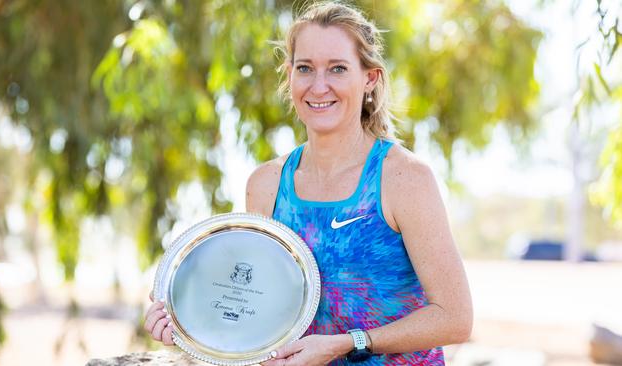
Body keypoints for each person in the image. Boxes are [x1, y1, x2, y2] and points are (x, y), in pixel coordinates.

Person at [145, 2, 472, 365]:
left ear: (369, 78)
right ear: (289, 75)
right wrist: (189, 324)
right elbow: (258, 309)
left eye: (337, 69)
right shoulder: (267, 185)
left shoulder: (402, 178)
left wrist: (348, 343)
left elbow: (455, 317)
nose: (319, 86)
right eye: (305, 68)